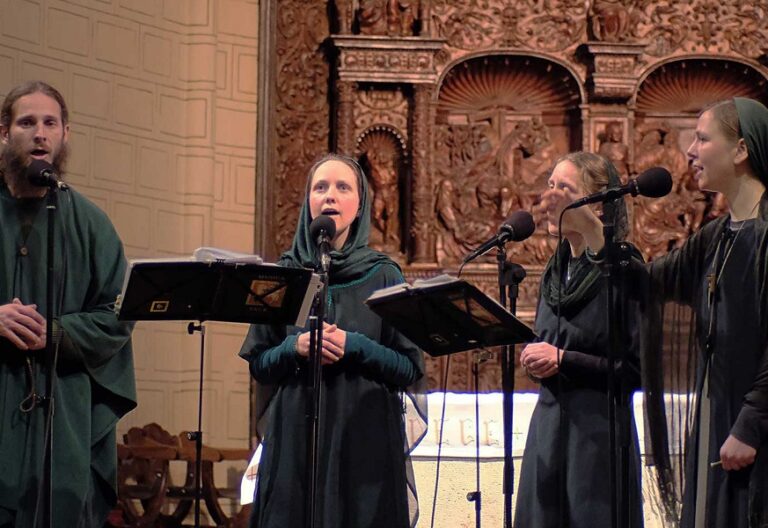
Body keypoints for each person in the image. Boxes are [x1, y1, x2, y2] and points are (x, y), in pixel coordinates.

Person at [239, 153, 426, 528]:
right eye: (320, 187)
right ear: (308, 202)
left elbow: (409, 366)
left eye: (343, 188)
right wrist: (295, 348)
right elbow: (259, 363)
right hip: (296, 436)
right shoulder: (285, 274)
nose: (330, 196)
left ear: (360, 206)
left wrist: (354, 346)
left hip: (365, 436)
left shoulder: (384, 275)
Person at [0, 81, 136, 527]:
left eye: (50, 123)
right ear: (4, 134)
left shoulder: (91, 224)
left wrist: (55, 333)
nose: (39, 133)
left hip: (63, 413)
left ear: (65, 134)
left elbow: (116, 316)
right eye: (26, 122)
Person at [638, 98, 768, 527]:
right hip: (719, 417)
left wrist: (751, 423)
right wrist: (594, 234)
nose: (690, 151)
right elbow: (652, 280)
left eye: (702, 138)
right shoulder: (717, 236)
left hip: (754, 430)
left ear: (741, 150)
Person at [514, 152, 644, 528]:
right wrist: (536, 357)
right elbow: (548, 343)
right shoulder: (554, 273)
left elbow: (634, 370)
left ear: (599, 208)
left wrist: (564, 359)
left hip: (598, 439)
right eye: (550, 186)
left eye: (565, 189)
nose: (551, 197)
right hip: (549, 433)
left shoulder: (622, 269)